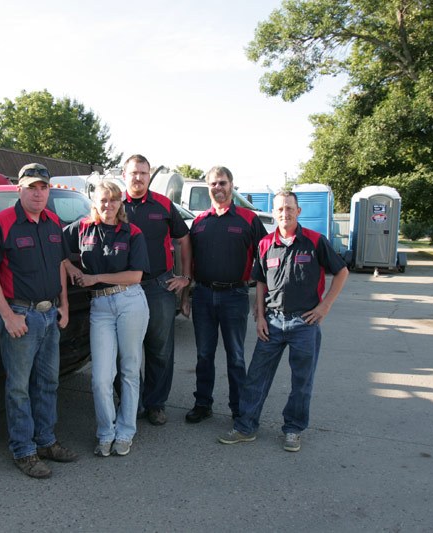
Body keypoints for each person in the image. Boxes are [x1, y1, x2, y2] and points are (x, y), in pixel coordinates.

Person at [218, 190, 348, 451]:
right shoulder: (265, 244)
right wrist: (260, 316)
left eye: (289, 208)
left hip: (305, 324)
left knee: (302, 381)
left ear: (298, 211)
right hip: (273, 323)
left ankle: (293, 429)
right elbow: (260, 281)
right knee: (256, 377)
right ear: (274, 213)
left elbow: (341, 271)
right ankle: (246, 427)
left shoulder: (315, 241)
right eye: (279, 209)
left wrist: (325, 306)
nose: (284, 213)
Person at [0, 163, 78, 479]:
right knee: (19, 388)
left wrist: (64, 305)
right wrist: (8, 316)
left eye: (43, 187)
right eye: (31, 187)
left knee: (48, 382)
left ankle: (46, 441)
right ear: (18, 189)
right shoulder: (0, 223)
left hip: (50, 315)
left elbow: (60, 265)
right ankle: (23, 450)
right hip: (21, 316)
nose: (38, 193)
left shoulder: (53, 222)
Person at [64, 181, 150, 457]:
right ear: (94, 201)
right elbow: (54, 245)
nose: (108, 205)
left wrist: (95, 278)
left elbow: (135, 275)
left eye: (113, 200)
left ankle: (125, 432)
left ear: (120, 203)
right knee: (101, 378)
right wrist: (70, 269)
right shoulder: (82, 228)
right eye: (103, 200)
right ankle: (105, 432)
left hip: (129, 301)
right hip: (100, 306)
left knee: (129, 370)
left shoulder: (132, 232)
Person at [186, 166, 267, 424]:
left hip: (235, 296)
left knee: (236, 356)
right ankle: (202, 403)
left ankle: (238, 408)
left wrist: (261, 301)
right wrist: (186, 296)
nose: (218, 188)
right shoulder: (199, 222)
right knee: (203, 354)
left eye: (222, 182)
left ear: (231, 185)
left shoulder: (248, 219)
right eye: (213, 184)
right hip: (202, 295)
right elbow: (188, 260)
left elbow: (266, 257)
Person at [121, 154, 192, 426]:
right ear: (124, 175)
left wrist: (185, 277)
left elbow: (184, 239)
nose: (138, 177)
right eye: (133, 172)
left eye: (143, 172)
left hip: (158, 286)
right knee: (124, 351)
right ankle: (133, 402)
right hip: (123, 288)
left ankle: (155, 404)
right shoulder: (114, 204)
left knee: (160, 350)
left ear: (149, 175)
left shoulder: (163, 205)